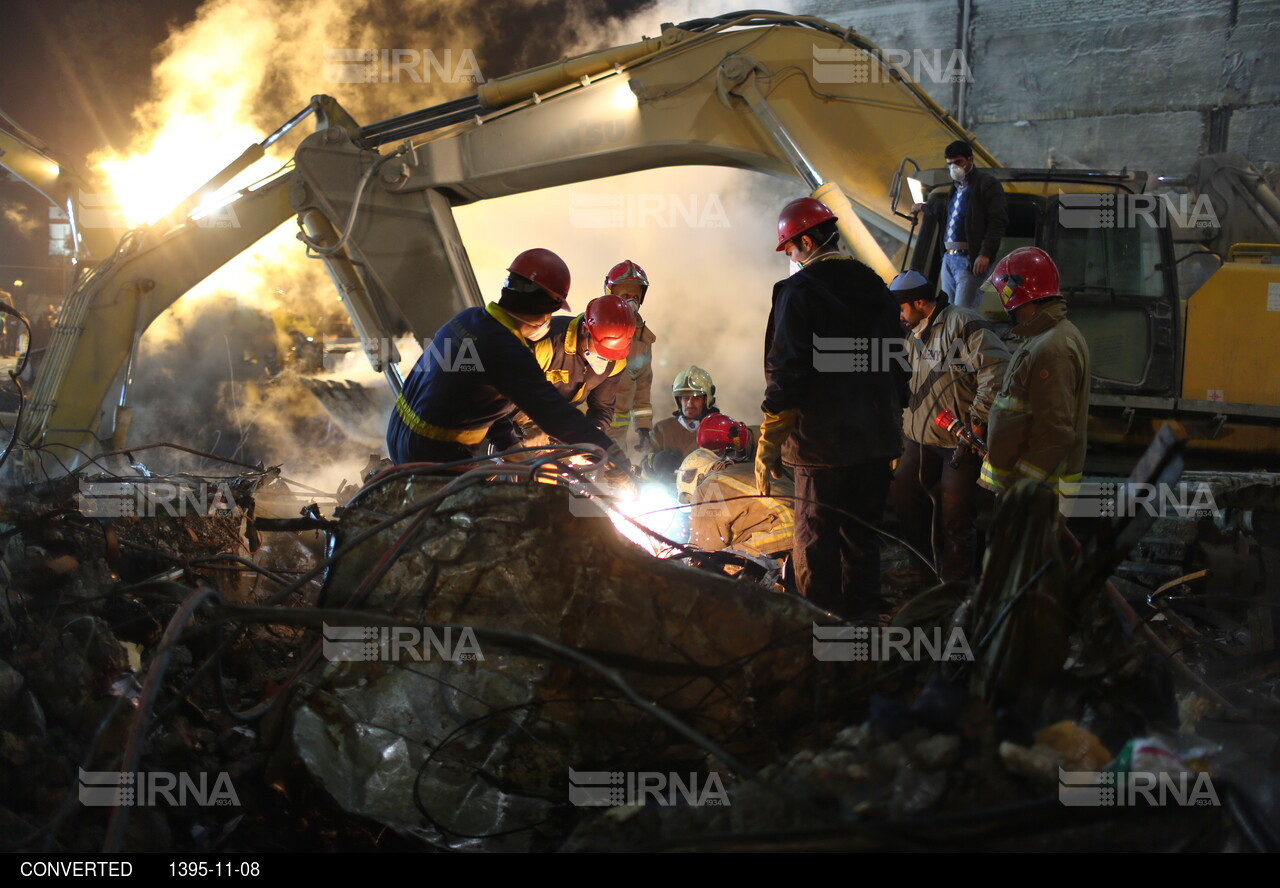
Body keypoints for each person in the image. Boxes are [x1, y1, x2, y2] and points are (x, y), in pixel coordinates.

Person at [756, 197, 907, 620]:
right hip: (875, 443)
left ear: (806, 240)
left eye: (789, 248)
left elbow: (787, 371)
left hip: (822, 448)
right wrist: (889, 428)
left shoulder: (798, 291)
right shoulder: (877, 286)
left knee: (815, 543)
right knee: (863, 542)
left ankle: (817, 636)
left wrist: (770, 440)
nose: (790, 257)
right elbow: (897, 365)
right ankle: (860, 635)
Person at [386, 248, 633, 484]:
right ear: (545, 308)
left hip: (400, 438)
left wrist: (514, 451)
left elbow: (475, 398)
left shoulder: (468, 320)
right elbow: (553, 413)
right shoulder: (506, 350)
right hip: (434, 457)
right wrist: (611, 453)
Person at [887, 270, 1009, 583]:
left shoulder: (960, 322)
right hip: (920, 439)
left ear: (919, 302)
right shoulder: (912, 332)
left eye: (902, 308)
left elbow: (996, 368)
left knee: (955, 515)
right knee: (903, 496)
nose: (899, 316)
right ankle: (925, 569)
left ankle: (955, 586)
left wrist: (978, 419)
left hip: (960, 441)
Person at [979, 247, 1091, 497]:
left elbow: (1056, 433)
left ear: (1015, 294)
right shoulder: (1041, 337)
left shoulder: (1052, 347)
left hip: (1038, 494)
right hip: (1034, 491)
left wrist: (1019, 486)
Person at [503, 294, 636, 447]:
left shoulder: (615, 360)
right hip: (507, 422)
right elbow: (508, 388)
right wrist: (526, 422)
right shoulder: (545, 342)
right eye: (601, 349)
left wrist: (592, 439)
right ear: (586, 330)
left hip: (558, 424)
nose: (604, 357)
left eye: (610, 353)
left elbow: (602, 407)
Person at [680, 413, 795, 561]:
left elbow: (705, 550)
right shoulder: (751, 467)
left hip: (786, 532)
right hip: (810, 526)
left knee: (721, 561)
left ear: (698, 478)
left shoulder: (707, 488)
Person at [914, 140, 1007, 311]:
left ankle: (962, 338)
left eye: (958, 162)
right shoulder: (956, 189)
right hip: (949, 259)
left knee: (961, 313)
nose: (954, 168)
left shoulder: (986, 185)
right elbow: (946, 211)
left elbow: (997, 221)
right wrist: (923, 207)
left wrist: (985, 253)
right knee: (947, 311)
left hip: (968, 259)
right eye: (950, 164)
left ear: (970, 160)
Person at [602, 261, 658, 453]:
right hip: (583, 427)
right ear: (611, 295)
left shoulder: (642, 341)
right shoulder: (591, 326)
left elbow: (643, 388)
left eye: (636, 297)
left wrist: (643, 428)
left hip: (617, 434)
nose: (631, 302)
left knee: (614, 480)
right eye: (625, 296)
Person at [642, 365, 719, 482]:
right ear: (678, 400)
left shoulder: (720, 428)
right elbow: (644, 470)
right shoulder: (662, 429)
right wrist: (655, 462)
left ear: (706, 399)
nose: (689, 404)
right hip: (669, 492)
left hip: (707, 492)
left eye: (696, 398)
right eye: (685, 398)